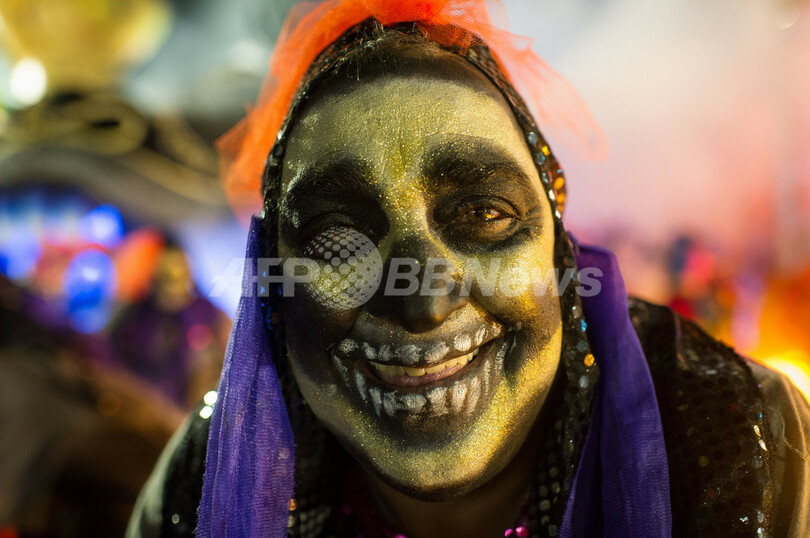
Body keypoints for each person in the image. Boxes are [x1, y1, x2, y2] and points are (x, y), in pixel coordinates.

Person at [127, 1, 810, 537]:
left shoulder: (746, 446)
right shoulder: (203, 490)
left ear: (560, 254)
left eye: (483, 214)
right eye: (338, 237)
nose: (421, 303)